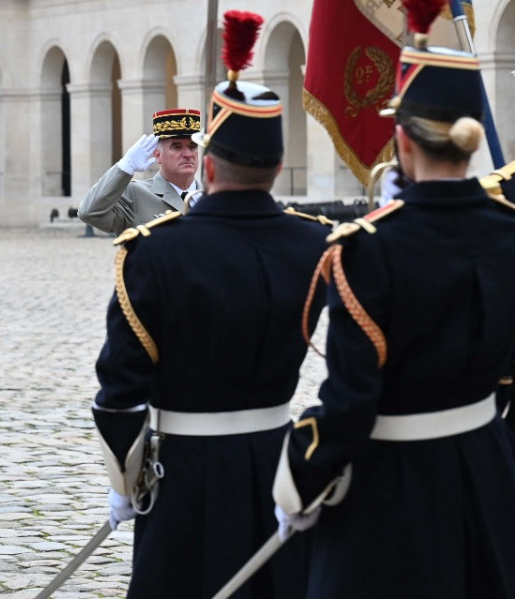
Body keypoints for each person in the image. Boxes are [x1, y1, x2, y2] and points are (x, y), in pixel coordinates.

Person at [272, 6, 515, 596]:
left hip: (395, 488)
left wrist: (301, 482)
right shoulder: (507, 231)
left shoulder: (370, 250)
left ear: (402, 138)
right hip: (488, 468)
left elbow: (351, 403)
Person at [91, 11, 327, 598]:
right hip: (277, 458)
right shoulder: (316, 243)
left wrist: (124, 476)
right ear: (276, 167)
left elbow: (120, 388)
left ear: (211, 163)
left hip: (186, 469)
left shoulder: (153, 253)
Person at [77, 108, 202, 233]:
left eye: (192, 147)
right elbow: (90, 213)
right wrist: (126, 166)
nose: (187, 154)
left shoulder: (211, 197)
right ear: (158, 155)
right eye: (177, 147)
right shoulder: (134, 194)